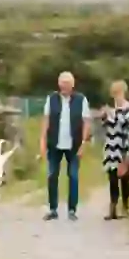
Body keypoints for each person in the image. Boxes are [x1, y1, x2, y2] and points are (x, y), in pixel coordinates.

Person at [39, 71, 91, 221]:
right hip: (54, 143)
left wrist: (83, 143)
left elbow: (86, 122)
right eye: (62, 83)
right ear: (58, 84)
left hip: (74, 144)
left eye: (67, 84)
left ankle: (72, 210)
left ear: (72, 85)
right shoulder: (51, 99)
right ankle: (53, 209)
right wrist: (42, 140)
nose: (64, 86)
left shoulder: (81, 100)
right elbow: (46, 120)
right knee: (52, 175)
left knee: (73, 176)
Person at [99, 80, 129, 220]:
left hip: (124, 147)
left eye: (119, 93)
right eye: (114, 94)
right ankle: (113, 207)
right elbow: (106, 126)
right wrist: (105, 117)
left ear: (124, 92)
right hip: (111, 148)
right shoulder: (112, 109)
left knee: (124, 178)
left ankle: (125, 207)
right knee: (112, 178)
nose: (117, 96)